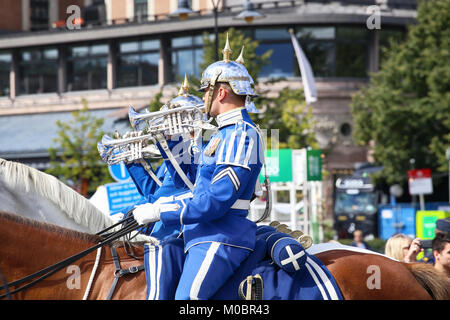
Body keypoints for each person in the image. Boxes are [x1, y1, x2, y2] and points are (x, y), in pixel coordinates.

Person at [133, 35, 264, 300]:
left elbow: (216, 201)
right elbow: (194, 184)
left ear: (222, 92)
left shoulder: (241, 134)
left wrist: (161, 210)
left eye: (206, 90)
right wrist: (170, 143)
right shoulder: (221, 134)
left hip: (221, 236)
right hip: (201, 233)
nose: (203, 95)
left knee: (187, 302)